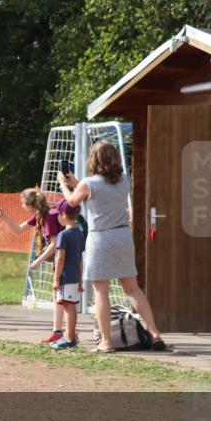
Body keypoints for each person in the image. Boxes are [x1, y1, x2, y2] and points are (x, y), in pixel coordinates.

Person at [58, 141, 167, 353]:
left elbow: (72, 201)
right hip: (122, 236)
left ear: (94, 160)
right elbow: (99, 194)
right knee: (132, 288)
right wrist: (76, 182)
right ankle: (155, 334)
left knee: (102, 291)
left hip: (101, 238)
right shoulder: (124, 180)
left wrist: (64, 183)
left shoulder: (88, 183)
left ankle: (106, 342)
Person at [0, 187, 67, 341]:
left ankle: (66, 332)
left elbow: (55, 243)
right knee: (59, 295)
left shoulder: (49, 217)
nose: (22, 206)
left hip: (66, 259)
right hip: (59, 259)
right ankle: (60, 331)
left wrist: (38, 261)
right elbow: (18, 229)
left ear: (30, 205)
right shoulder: (39, 216)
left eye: (23, 203)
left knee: (63, 296)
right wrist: (4, 217)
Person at [49, 200, 85, 349]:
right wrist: (81, 279)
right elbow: (80, 259)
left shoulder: (63, 235)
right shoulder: (79, 233)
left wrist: (56, 279)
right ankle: (70, 336)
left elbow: (60, 259)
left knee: (68, 308)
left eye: (58, 214)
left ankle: (69, 338)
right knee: (71, 307)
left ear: (63, 215)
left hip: (66, 277)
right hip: (75, 277)